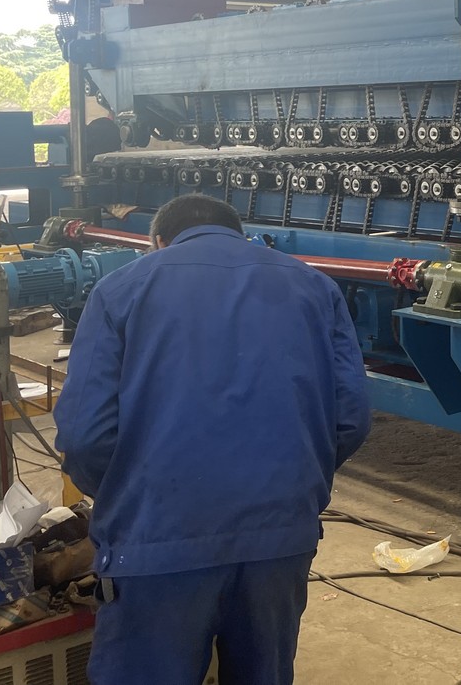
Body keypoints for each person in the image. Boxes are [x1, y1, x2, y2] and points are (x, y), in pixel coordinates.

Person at [55, 195, 371, 685]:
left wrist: (125, 494)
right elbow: (351, 418)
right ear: (238, 233)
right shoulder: (315, 286)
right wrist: (294, 487)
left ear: (159, 241)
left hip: (157, 539)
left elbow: (84, 435)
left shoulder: (120, 289)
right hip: (280, 538)